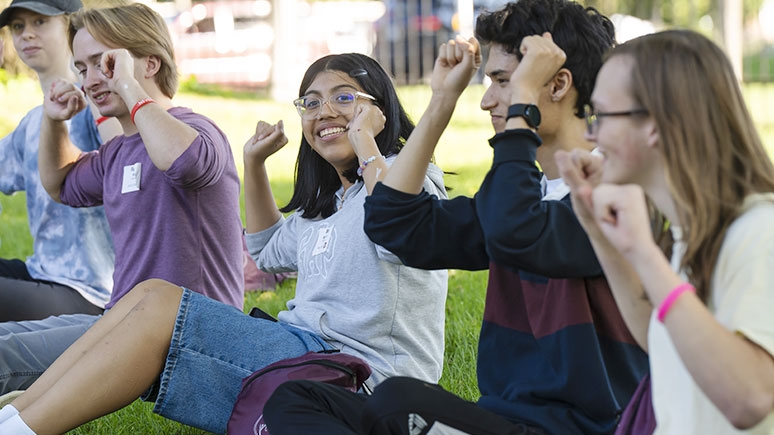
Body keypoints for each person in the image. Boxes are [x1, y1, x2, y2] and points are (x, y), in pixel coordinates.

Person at [0, 50, 449, 434]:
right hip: (304, 352)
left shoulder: (408, 178)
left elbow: (398, 230)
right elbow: (267, 248)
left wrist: (366, 141)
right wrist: (253, 163)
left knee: (161, 307)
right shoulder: (333, 203)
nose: (324, 111)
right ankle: (17, 415)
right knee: (150, 294)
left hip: (363, 380)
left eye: (343, 98)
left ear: (378, 109)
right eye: (310, 102)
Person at [263, 1, 648, 434]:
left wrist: (522, 112)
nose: (486, 101)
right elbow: (396, 226)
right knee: (297, 397)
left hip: (583, 428)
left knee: (396, 401)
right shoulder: (525, 196)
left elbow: (517, 230)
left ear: (557, 84)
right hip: (502, 421)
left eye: (505, 82)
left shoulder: (615, 195)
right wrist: (442, 102)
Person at [0, 2, 244, 399]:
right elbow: (60, 183)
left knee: (6, 354)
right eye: (81, 68)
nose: (89, 80)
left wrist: (128, 88)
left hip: (190, 341)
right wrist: (53, 119)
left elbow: (182, 164)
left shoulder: (199, 131)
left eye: (104, 63)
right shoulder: (118, 153)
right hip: (122, 327)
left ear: (148, 63)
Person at [554, 29, 774, 434]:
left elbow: (751, 399)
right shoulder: (696, 228)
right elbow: (663, 337)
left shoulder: (759, 233)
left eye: (601, 116)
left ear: (655, 124)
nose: (590, 134)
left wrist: (644, 252)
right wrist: (601, 233)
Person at [0, 0, 116, 323]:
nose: (26, 35)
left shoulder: (99, 100)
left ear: (68, 26)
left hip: (94, 293)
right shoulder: (32, 123)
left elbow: (127, 154)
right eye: (18, 27)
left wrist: (91, 95)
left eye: (40, 22)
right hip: (43, 274)